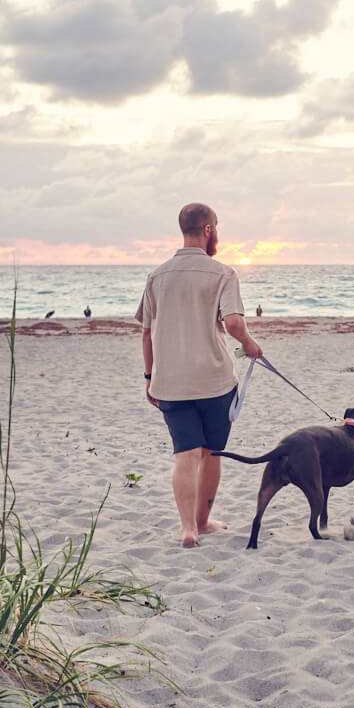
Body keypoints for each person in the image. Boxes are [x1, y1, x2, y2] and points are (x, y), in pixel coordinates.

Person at [137, 202, 263, 547]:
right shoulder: (223, 273)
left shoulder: (157, 276)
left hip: (171, 381)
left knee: (185, 455)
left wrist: (149, 377)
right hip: (215, 380)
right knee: (210, 453)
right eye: (216, 227)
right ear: (208, 229)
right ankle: (203, 522)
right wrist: (250, 343)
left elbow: (147, 332)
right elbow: (234, 322)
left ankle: (188, 529)